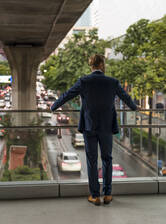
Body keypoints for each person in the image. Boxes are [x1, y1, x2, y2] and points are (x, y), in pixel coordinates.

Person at [51, 54, 138, 206]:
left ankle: (95, 195)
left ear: (91, 65)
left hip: (89, 126)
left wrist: (53, 106)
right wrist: (134, 108)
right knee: (107, 159)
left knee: (91, 161)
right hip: (106, 126)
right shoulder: (112, 82)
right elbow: (125, 97)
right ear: (102, 65)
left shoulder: (84, 81)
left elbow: (68, 95)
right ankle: (108, 194)